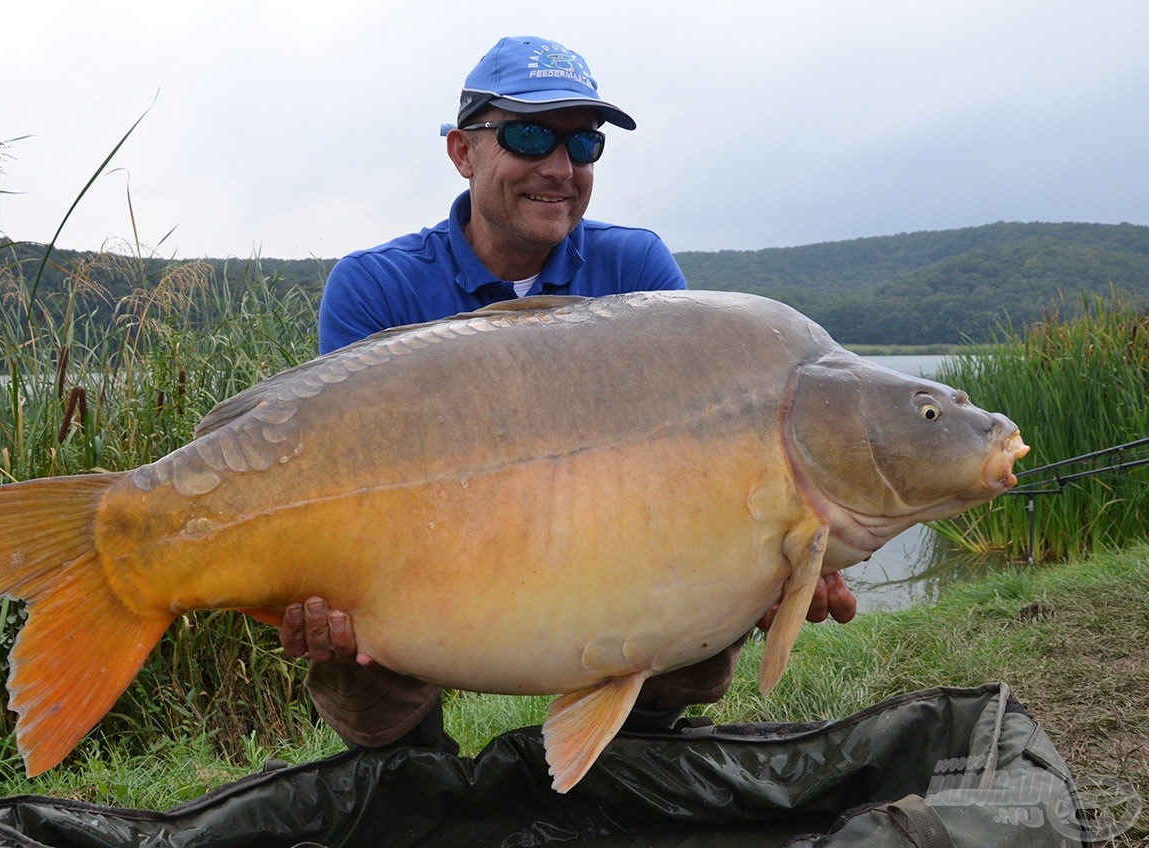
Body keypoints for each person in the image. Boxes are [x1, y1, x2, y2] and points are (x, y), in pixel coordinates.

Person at [280, 35, 857, 754]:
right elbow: (337, 478)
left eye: (584, 145)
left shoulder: (637, 267)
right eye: (529, 136)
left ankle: (628, 761)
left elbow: (694, 467)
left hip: (595, 552)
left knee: (708, 606)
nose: (560, 169)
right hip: (426, 558)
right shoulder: (375, 284)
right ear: (463, 152)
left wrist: (773, 564)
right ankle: (415, 782)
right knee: (346, 646)